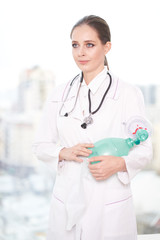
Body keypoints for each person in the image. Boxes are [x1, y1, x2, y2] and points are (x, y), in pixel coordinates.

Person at [33, 15, 152, 240]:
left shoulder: (128, 93)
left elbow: (144, 148)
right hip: (67, 198)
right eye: (75, 45)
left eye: (90, 45)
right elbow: (40, 145)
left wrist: (120, 164)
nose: (81, 52)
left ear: (107, 47)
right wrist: (62, 152)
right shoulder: (60, 94)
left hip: (109, 200)